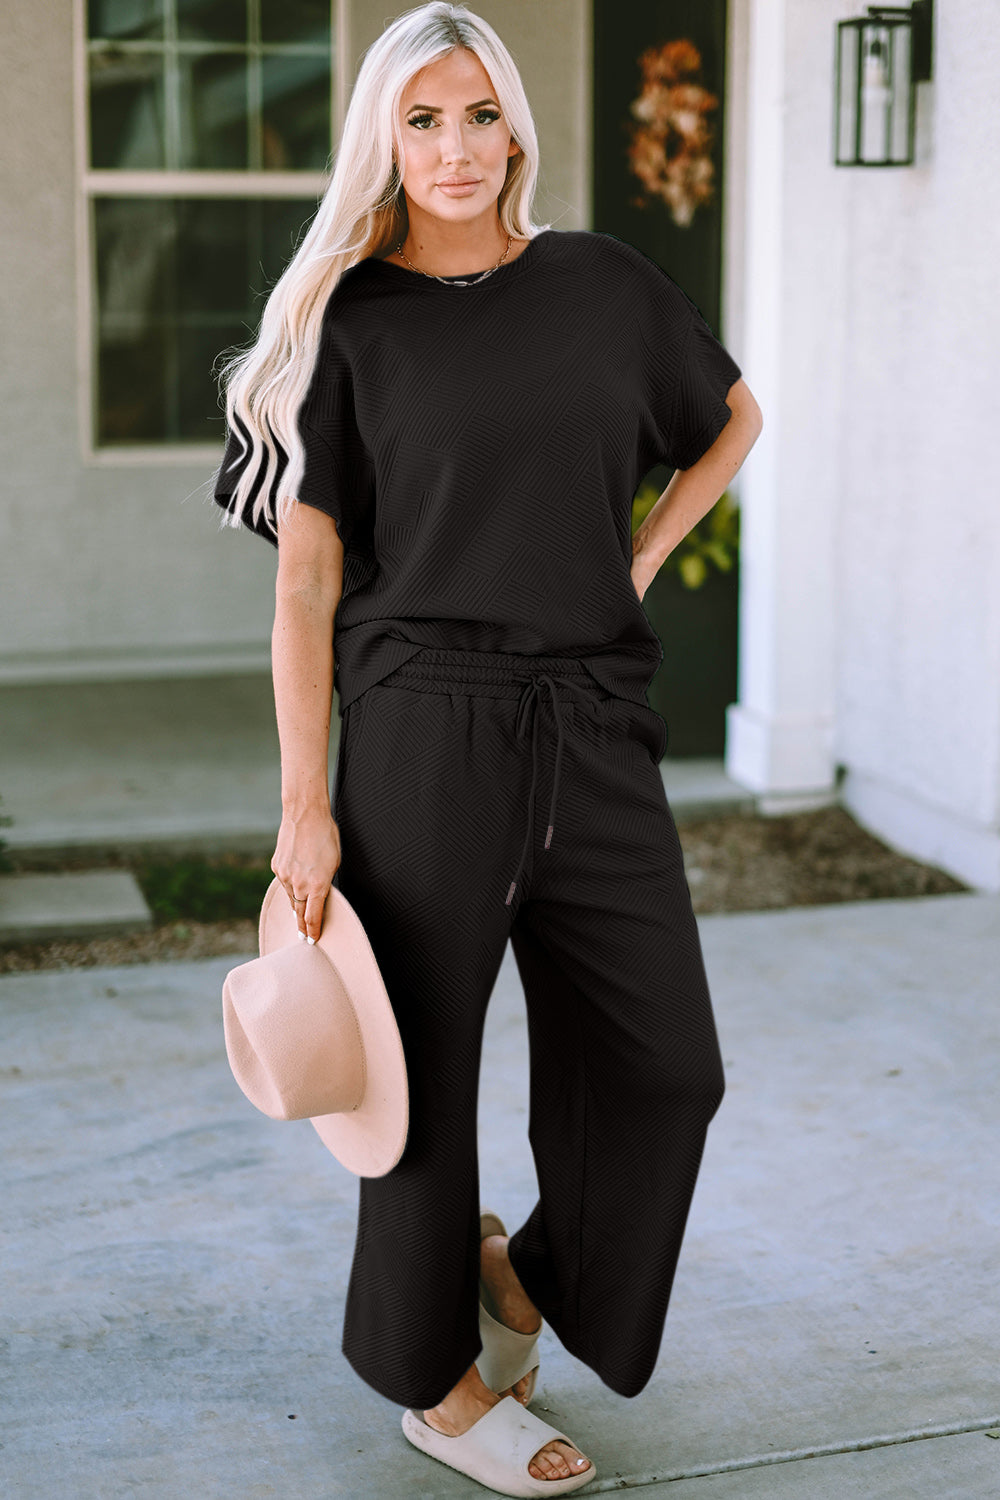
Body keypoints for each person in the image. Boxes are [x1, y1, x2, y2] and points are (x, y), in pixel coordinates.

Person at [212, 3, 762, 1493]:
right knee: (419, 1090)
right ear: (382, 142)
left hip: (591, 720)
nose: (452, 148)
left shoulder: (603, 285)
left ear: (516, 125)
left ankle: (519, 1285)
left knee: (666, 1065)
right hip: (421, 732)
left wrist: (634, 566)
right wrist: (304, 807)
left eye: (475, 114)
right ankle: (439, 1389)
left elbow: (731, 420)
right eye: (419, 120)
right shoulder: (351, 325)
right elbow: (307, 583)